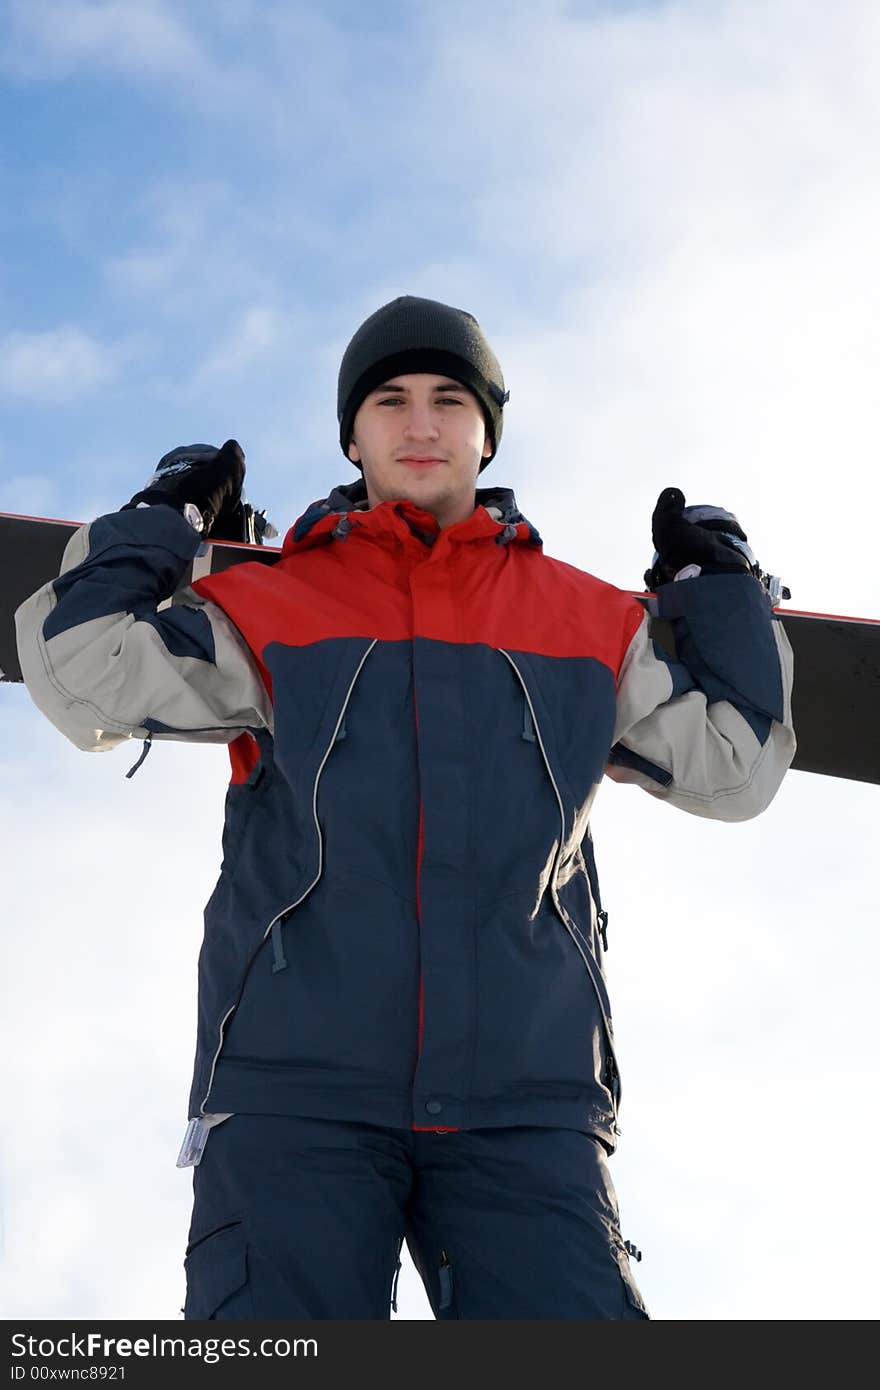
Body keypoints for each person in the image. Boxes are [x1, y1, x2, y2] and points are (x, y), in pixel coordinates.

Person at [14, 295, 796, 1320]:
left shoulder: (586, 622)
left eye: (447, 400)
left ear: (485, 428)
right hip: (296, 1095)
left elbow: (734, 767)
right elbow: (82, 671)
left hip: (525, 1101)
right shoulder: (273, 605)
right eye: (390, 400)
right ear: (353, 432)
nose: (419, 424)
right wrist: (169, 517)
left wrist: (718, 587)